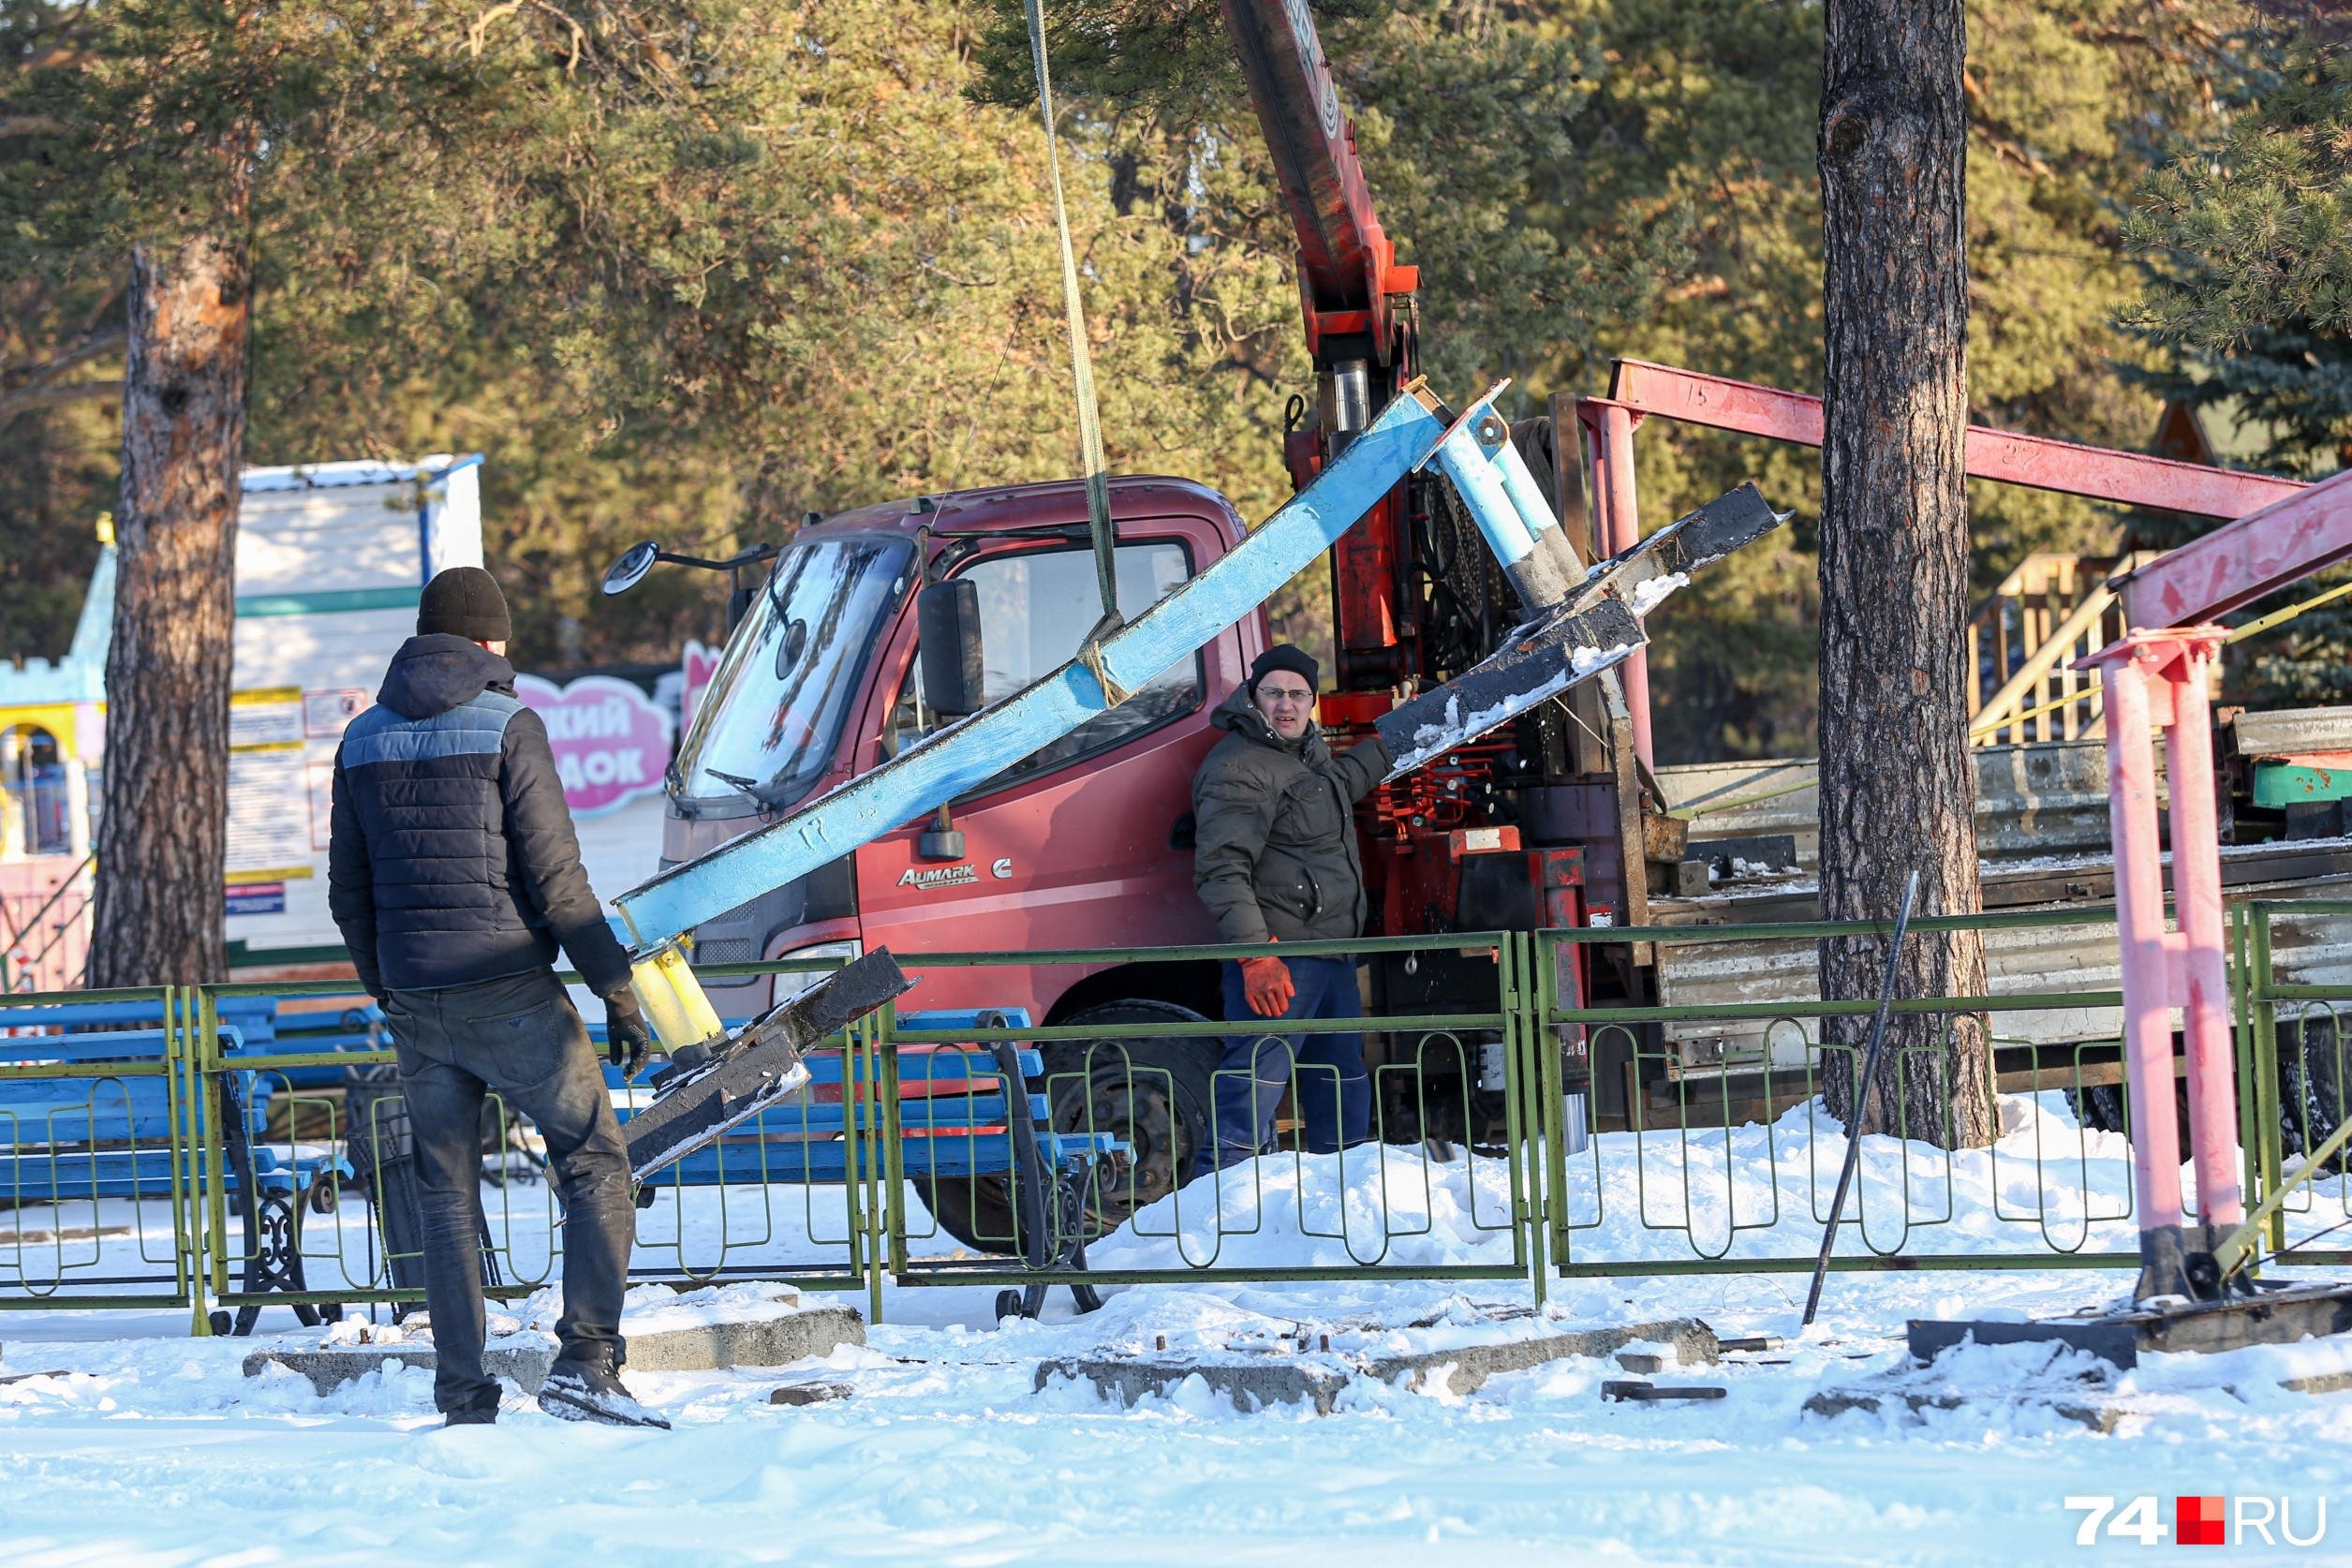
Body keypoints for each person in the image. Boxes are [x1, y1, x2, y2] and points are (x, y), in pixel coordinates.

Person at [328, 566, 665, 1429]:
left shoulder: (359, 740)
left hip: (417, 1001)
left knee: (446, 1198)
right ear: (486, 640)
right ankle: (587, 1362)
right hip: (509, 990)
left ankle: (463, 1396)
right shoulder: (510, 722)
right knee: (593, 1165)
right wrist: (617, 994)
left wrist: (393, 987)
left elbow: (348, 892)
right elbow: (558, 881)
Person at [1191, 644, 1391, 1169]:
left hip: (1332, 953)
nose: (1287, 704)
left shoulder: (1305, 755)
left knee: (1341, 1082)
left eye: (1298, 694)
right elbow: (1222, 869)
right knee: (1255, 1080)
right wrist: (1257, 956)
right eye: (1275, 692)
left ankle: (1343, 1199)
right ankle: (1223, 1204)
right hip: (1283, 957)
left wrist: (1396, 736)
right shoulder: (1239, 766)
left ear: (1312, 701)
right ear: (1253, 697)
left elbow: (1337, 788)